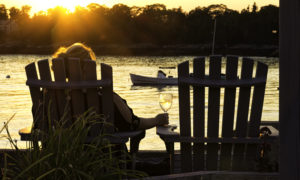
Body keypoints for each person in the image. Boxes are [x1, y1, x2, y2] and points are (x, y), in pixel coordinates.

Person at [53, 42, 169, 131]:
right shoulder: (106, 97)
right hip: (107, 158)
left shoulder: (51, 99)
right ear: (86, 68)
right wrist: (156, 120)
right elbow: (132, 123)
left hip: (64, 158)